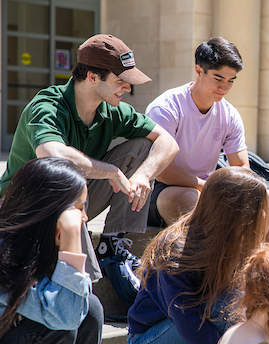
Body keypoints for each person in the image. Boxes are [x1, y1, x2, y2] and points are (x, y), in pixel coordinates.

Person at [0, 34, 179, 283]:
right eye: (121, 81)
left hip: (72, 201)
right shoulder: (48, 105)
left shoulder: (112, 111)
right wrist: (112, 171)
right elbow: (52, 154)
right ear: (93, 77)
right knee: (66, 184)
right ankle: (86, 285)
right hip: (22, 209)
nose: (128, 88)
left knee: (141, 147)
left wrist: (143, 175)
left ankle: (113, 247)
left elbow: (167, 141)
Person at [127, 167, 269, 344]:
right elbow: (189, 324)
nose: (264, 216)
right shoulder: (175, 247)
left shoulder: (234, 241)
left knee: (237, 304)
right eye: (260, 209)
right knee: (224, 308)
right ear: (235, 213)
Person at [0, 157, 122, 344]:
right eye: (78, 209)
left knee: (90, 311)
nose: (84, 218)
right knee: (54, 328)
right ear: (48, 209)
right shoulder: (5, 253)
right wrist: (70, 237)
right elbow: (62, 317)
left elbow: (71, 311)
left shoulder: (36, 247)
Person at [145, 37, 269, 227]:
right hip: (159, 190)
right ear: (198, 71)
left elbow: (240, 167)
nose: (225, 88)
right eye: (218, 78)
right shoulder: (166, 108)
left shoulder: (229, 115)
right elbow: (163, 171)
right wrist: (210, 188)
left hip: (207, 188)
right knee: (191, 198)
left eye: (231, 81)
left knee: (267, 198)